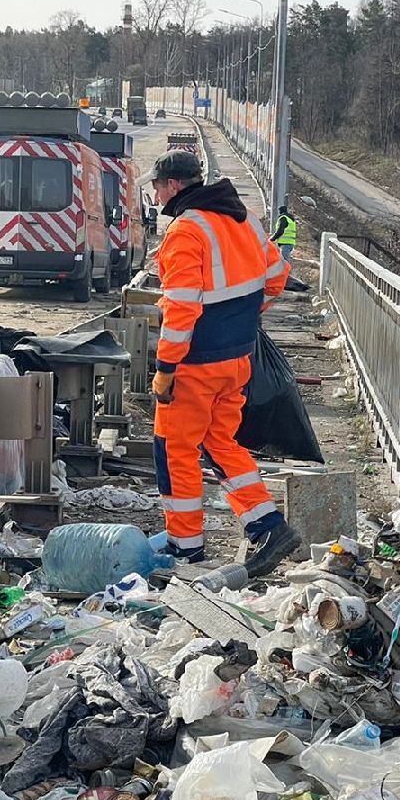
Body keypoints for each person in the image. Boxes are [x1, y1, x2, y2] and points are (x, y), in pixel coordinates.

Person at [144, 150, 301, 577]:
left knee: (174, 448)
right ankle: (269, 525)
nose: (155, 195)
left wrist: (166, 367)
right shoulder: (242, 218)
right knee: (219, 442)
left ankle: (186, 548)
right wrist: (243, 318)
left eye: (157, 186)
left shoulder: (185, 232)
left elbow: (180, 308)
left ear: (174, 185)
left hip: (195, 365)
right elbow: (276, 276)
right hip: (237, 359)